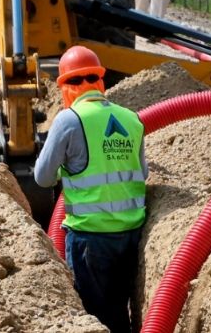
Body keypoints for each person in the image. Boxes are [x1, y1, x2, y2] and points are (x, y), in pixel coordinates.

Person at [33, 46, 147, 333]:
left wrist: (66, 166)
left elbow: (42, 178)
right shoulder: (131, 118)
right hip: (131, 235)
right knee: (121, 312)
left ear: (64, 87)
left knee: (95, 317)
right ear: (100, 80)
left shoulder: (70, 120)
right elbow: (142, 173)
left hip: (91, 240)